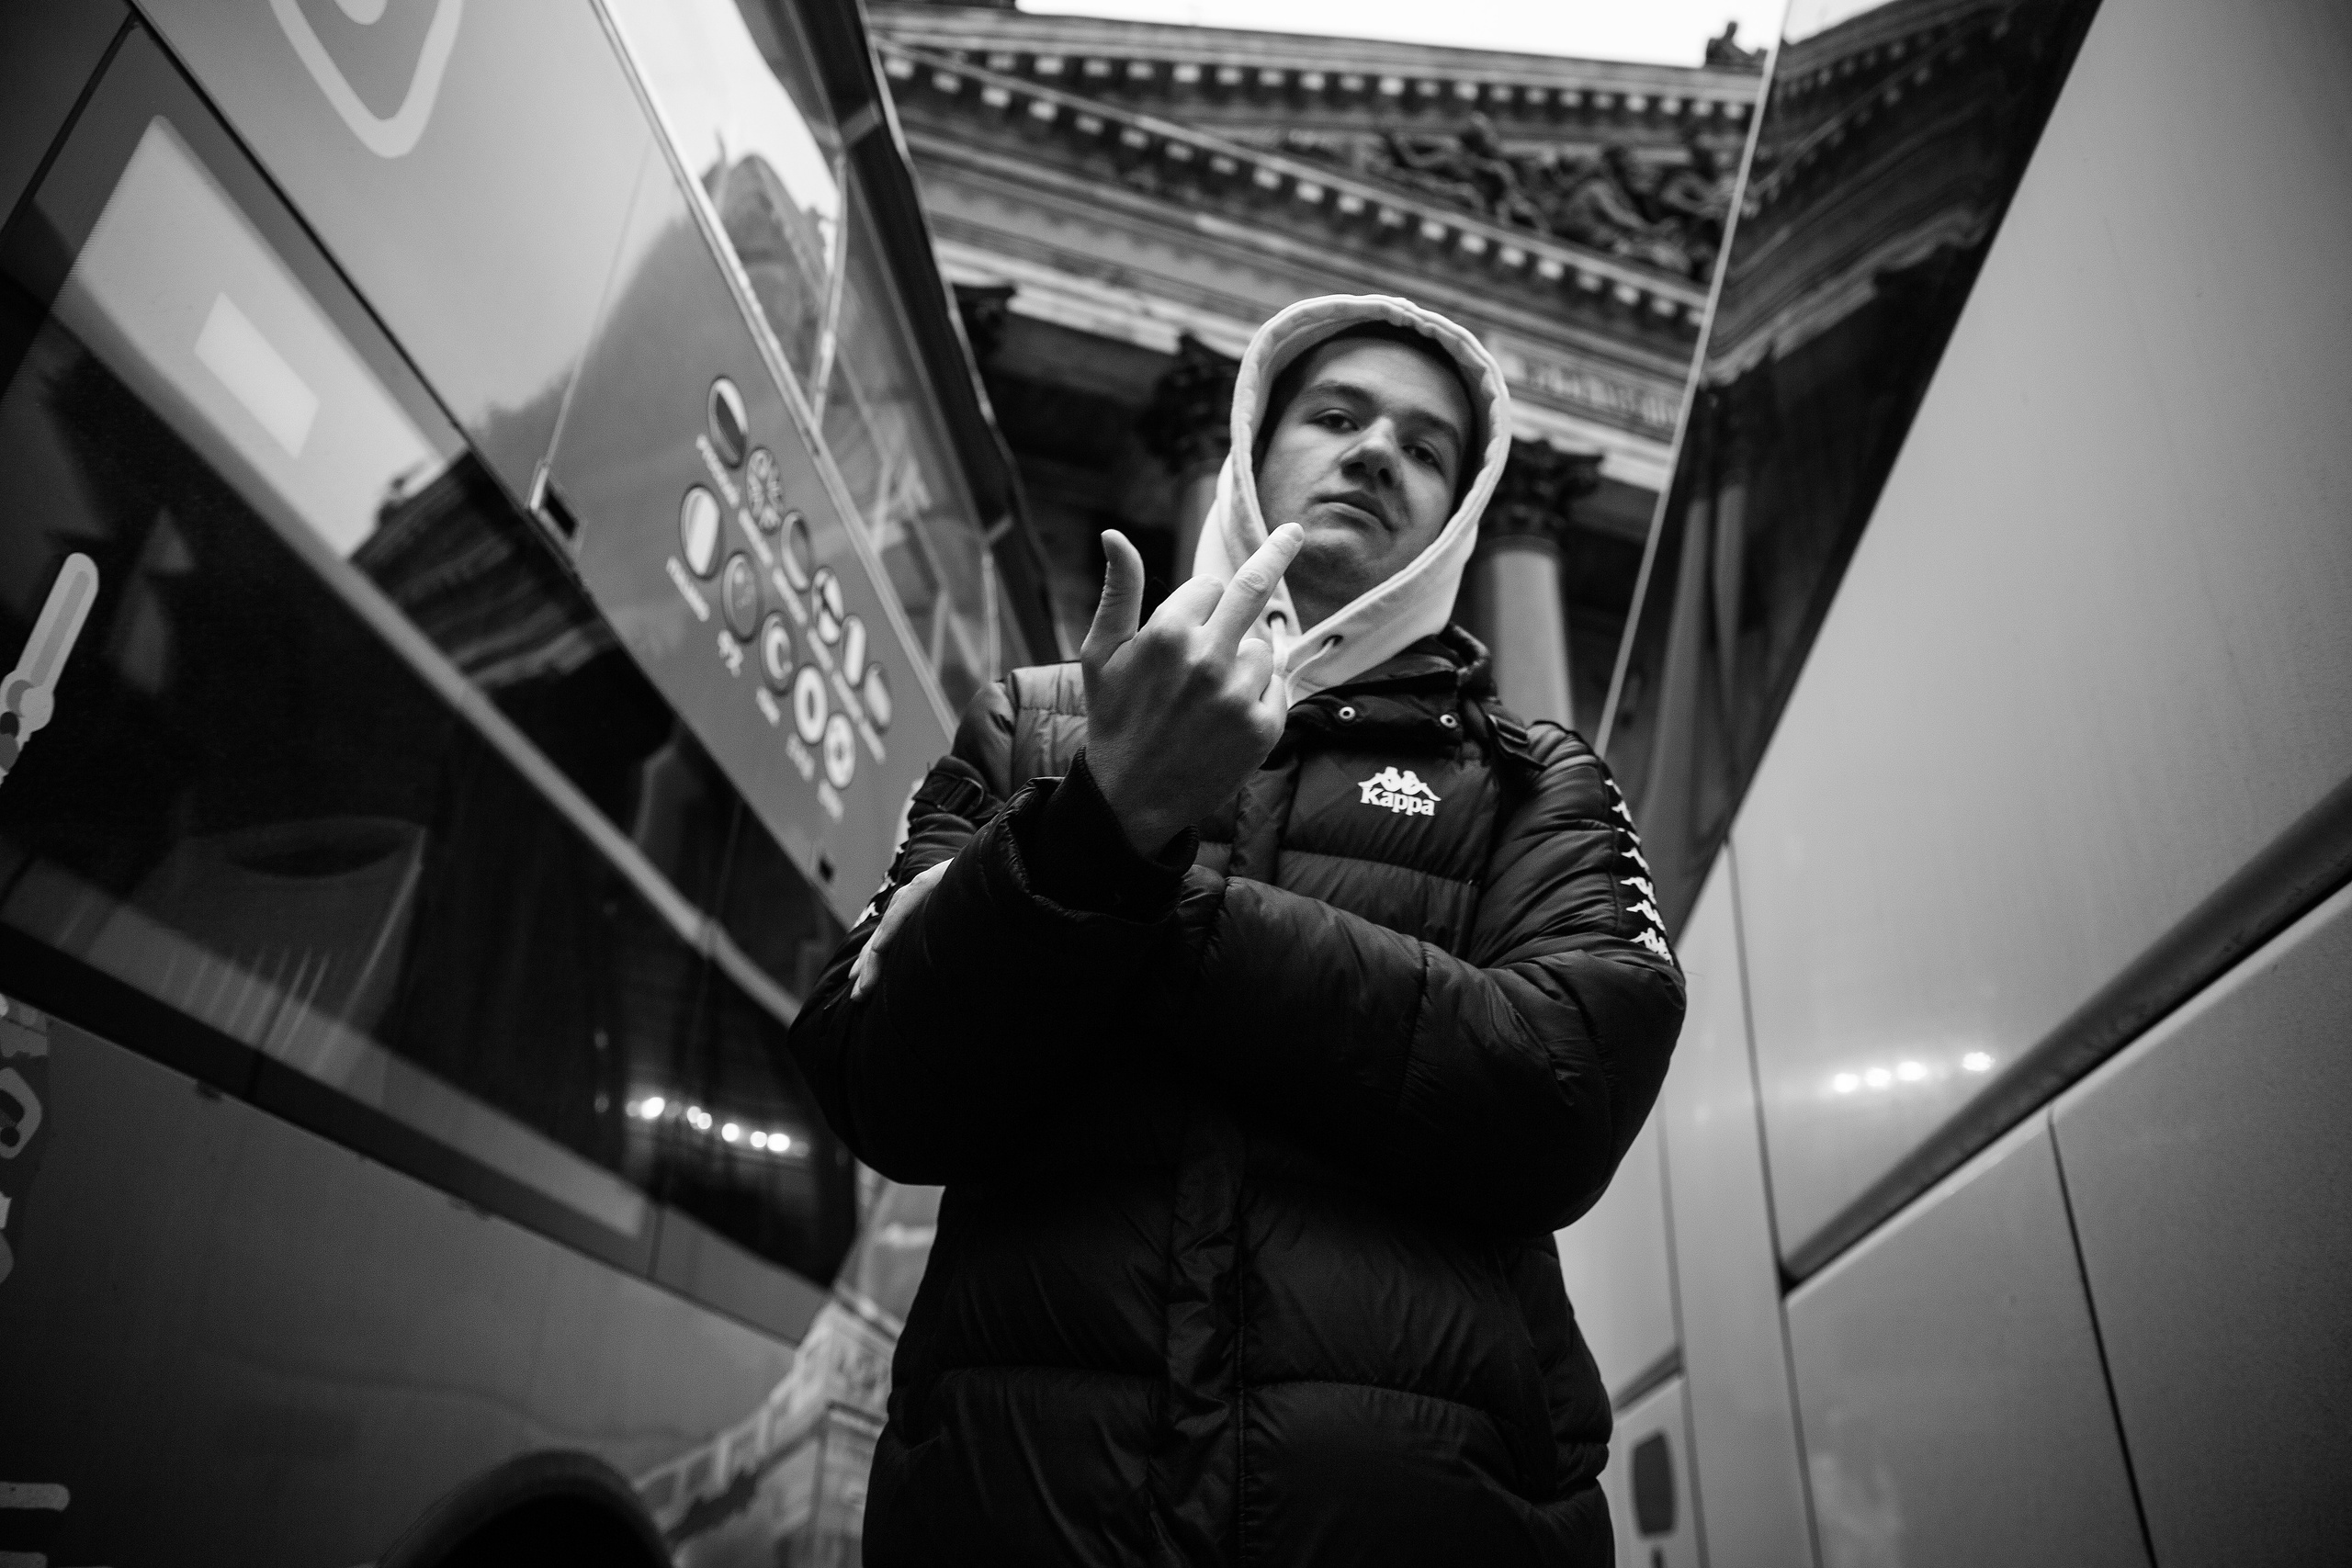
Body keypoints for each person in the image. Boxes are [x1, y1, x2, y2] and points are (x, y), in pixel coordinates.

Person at [789, 294, 1684, 1566]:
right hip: (1026, 1512)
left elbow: (1560, 1092)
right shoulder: (1033, 727)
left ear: (1466, 507)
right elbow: (881, 1084)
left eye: (1428, 447)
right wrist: (1102, 817)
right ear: (1252, 448)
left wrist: (1111, 858)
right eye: (1336, 415)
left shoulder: (1539, 779)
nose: (1377, 453)